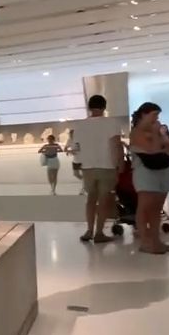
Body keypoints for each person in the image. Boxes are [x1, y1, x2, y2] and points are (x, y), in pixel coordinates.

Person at [69, 95, 125, 243]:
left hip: (87, 168)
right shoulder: (112, 123)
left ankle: (89, 230)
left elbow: (75, 148)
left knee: (91, 200)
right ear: (104, 107)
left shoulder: (79, 125)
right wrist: (120, 164)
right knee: (104, 200)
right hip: (107, 166)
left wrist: (77, 165)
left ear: (89, 107)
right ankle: (99, 232)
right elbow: (116, 145)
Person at [130, 103, 169, 255]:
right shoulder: (136, 132)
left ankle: (156, 241)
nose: (157, 119)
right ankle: (145, 242)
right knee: (145, 208)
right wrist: (158, 137)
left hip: (162, 172)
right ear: (144, 114)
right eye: (154, 115)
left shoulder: (156, 132)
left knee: (157, 209)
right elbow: (154, 150)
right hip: (146, 173)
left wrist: (161, 138)